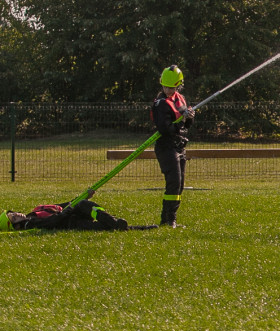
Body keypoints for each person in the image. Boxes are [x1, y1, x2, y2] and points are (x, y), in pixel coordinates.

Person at [151, 65, 194, 228]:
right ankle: (169, 221)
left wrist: (189, 117)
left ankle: (169, 220)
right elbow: (165, 129)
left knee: (180, 184)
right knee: (174, 182)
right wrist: (181, 121)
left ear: (178, 85)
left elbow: (186, 126)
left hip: (180, 145)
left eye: (172, 87)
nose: (168, 90)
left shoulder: (180, 99)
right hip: (166, 147)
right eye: (166, 87)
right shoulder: (160, 104)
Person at [2, 196, 155, 232]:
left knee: (85, 204)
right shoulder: (32, 224)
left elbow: (61, 206)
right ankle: (137, 227)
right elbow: (53, 221)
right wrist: (68, 210)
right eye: (14, 217)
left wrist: (83, 196)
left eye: (14, 213)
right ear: (15, 226)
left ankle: (114, 222)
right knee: (104, 228)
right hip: (72, 224)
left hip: (76, 212)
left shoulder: (34, 211)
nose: (18, 214)